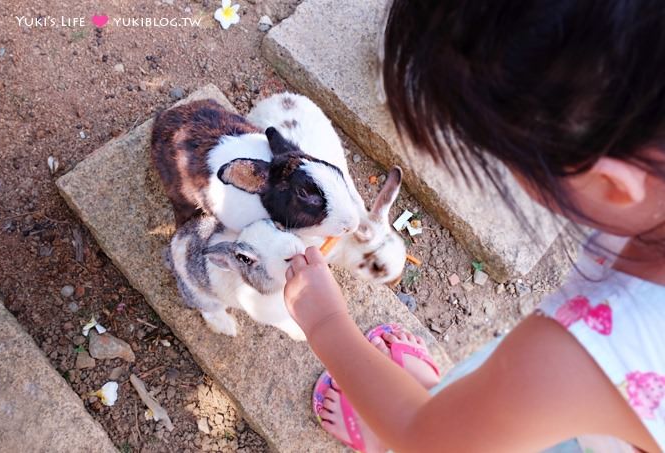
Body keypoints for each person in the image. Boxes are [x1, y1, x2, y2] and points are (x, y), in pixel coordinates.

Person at [283, 1, 665, 452]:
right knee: (493, 397)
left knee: (446, 428)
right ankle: (443, 397)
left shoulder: (573, 358)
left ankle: (389, 426)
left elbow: (429, 440)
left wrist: (326, 322)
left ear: (611, 182)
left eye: (509, 158)